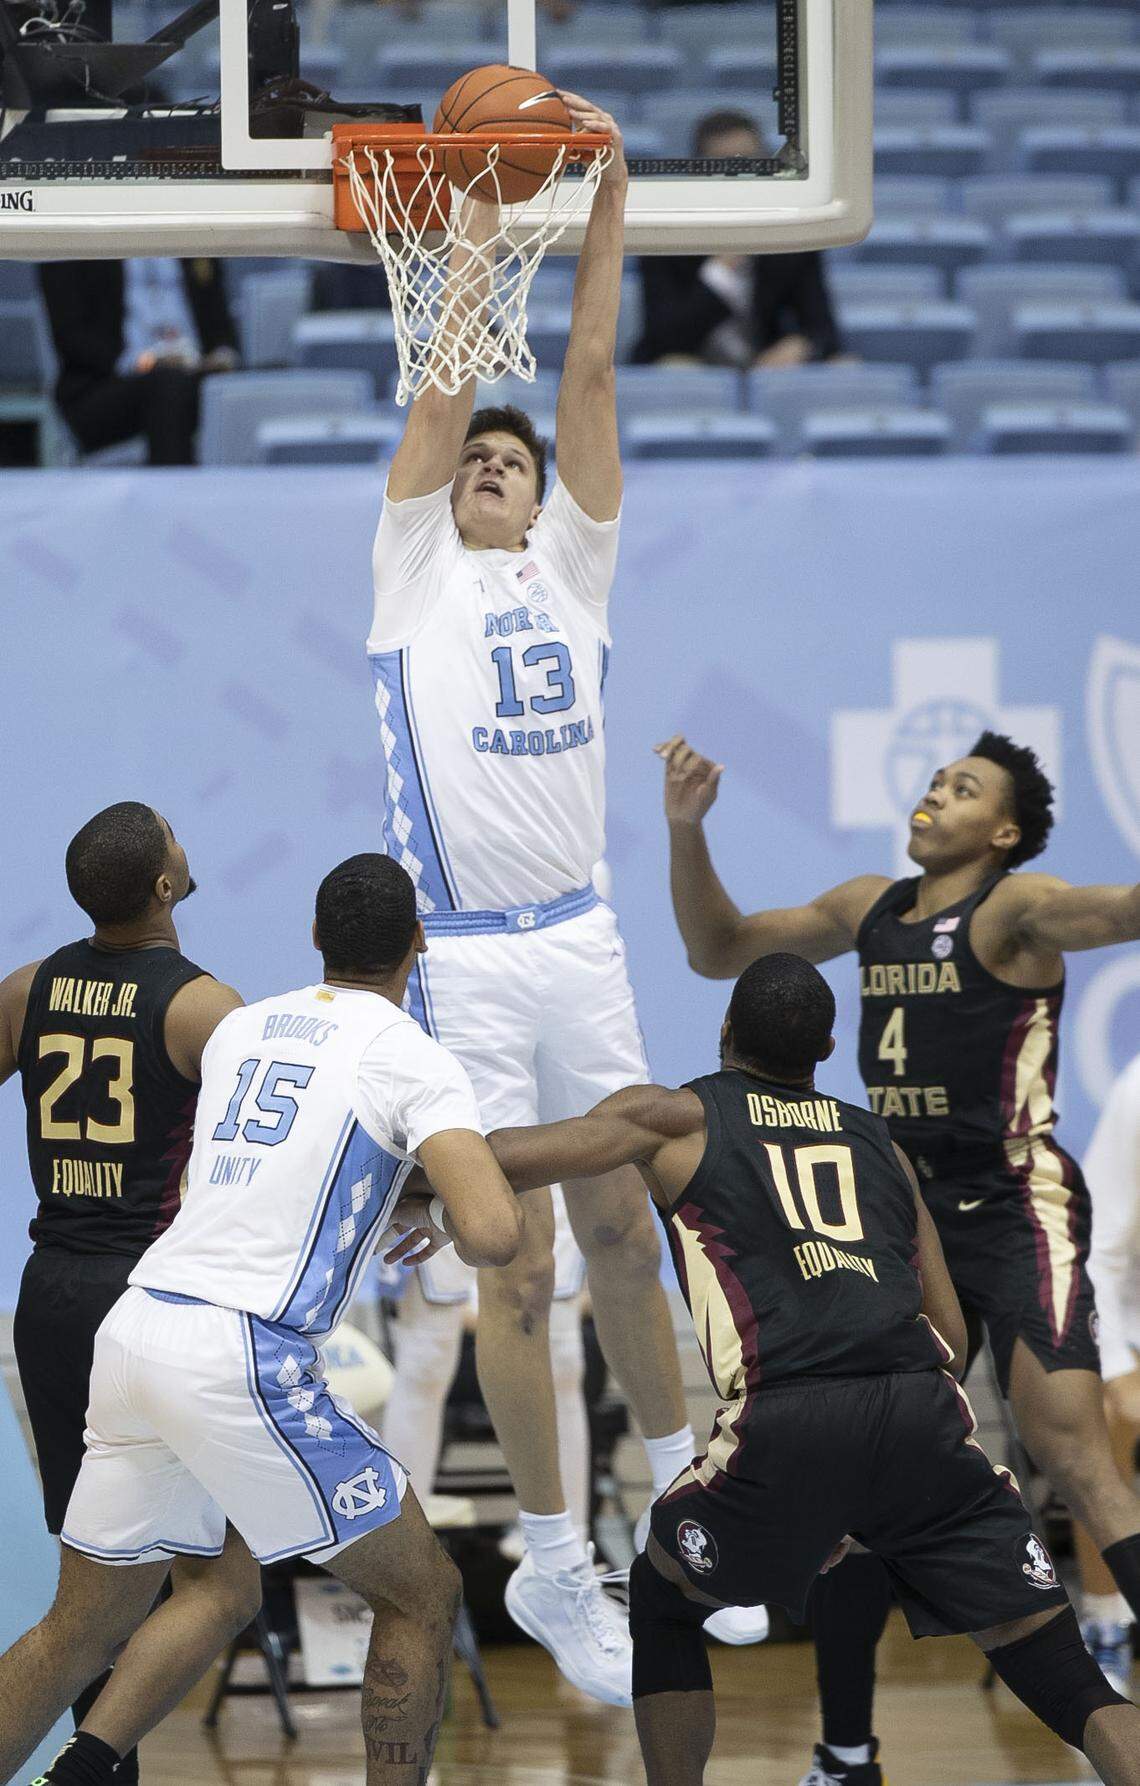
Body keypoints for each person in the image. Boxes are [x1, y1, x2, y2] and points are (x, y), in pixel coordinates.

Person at [367, 91, 757, 1699]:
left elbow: (581, 371)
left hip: (580, 936)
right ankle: (549, 1554)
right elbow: (454, 372)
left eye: (512, 466)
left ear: (540, 501)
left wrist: (606, 194)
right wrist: (473, 204)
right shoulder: (408, 568)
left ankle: (686, 1494)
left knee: (628, 1216)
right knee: (510, 1266)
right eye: (475, 459)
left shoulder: (573, 567)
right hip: (459, 956)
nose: (492, 465)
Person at [472, 954, 1140, 1786]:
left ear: (724, 1034)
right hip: (921, 1412)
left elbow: (506, 1153)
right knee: (1067, 1672)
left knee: (665, 1592)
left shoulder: (673, 1117)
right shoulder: (879, 1144)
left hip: (787, 1417)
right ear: (826, 1046)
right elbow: (950, 1332)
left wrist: (424, 1183)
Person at [657, 728, 1140, 1786]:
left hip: (1014, 1199)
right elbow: (716, 946)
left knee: (1072, 1447)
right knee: (862, 1481)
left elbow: (1118, 909)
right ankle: (844, 1754)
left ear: (1003, 832)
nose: (936, 793)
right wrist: (686, 831)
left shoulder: (1015, 907)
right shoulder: (869, 907)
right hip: (902, 1212)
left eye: (964, 789)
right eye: (934, 780)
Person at [0, 852, 523, 1786]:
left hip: (135, 1329)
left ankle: (70, 1774)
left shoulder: (244, 1028)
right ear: (419, 943)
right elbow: (493, 1230)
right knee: (422, 1591)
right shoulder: (412, 1056)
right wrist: (440, 1208)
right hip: (241, 1353)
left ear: (315, 937)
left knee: (78, 1630)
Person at [0, 801, 258, 1786]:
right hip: (146, 1293)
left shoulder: (29, 989)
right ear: (162, 885)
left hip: (50, 1291)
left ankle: (110, 1765)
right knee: (209, 1580)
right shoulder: (202, 1007)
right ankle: (97, 1764)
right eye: (174, 837)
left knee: (89, 1579)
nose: (186, 842)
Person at [632, 109, 842, 370]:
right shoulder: (664, 237)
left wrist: (801, 344)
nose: (739, 175)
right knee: (676, 367)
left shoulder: (793, 235)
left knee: (844, 366)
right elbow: (662, 339)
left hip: (767, 367)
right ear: (697, 172)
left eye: (750, 161)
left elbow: (824, 331)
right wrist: (721, 272)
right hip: (693, 364)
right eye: (723, 164)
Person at [37, 258, 239, 465]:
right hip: (105, 385)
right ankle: (175, 494)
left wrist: (222, 357)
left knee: (257, 385)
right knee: (168, 387)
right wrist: (147, 362)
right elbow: (71, 335)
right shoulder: (74, 236)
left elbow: (220, 326)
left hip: (197, 374)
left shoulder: (194, 232)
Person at [1080, 1052, 1140, 1691]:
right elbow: (1097, 1254)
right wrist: (1120, 1369)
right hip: (1129, 1325)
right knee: (1096, 1416)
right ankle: (1107, 1624)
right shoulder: (1138, 1092)